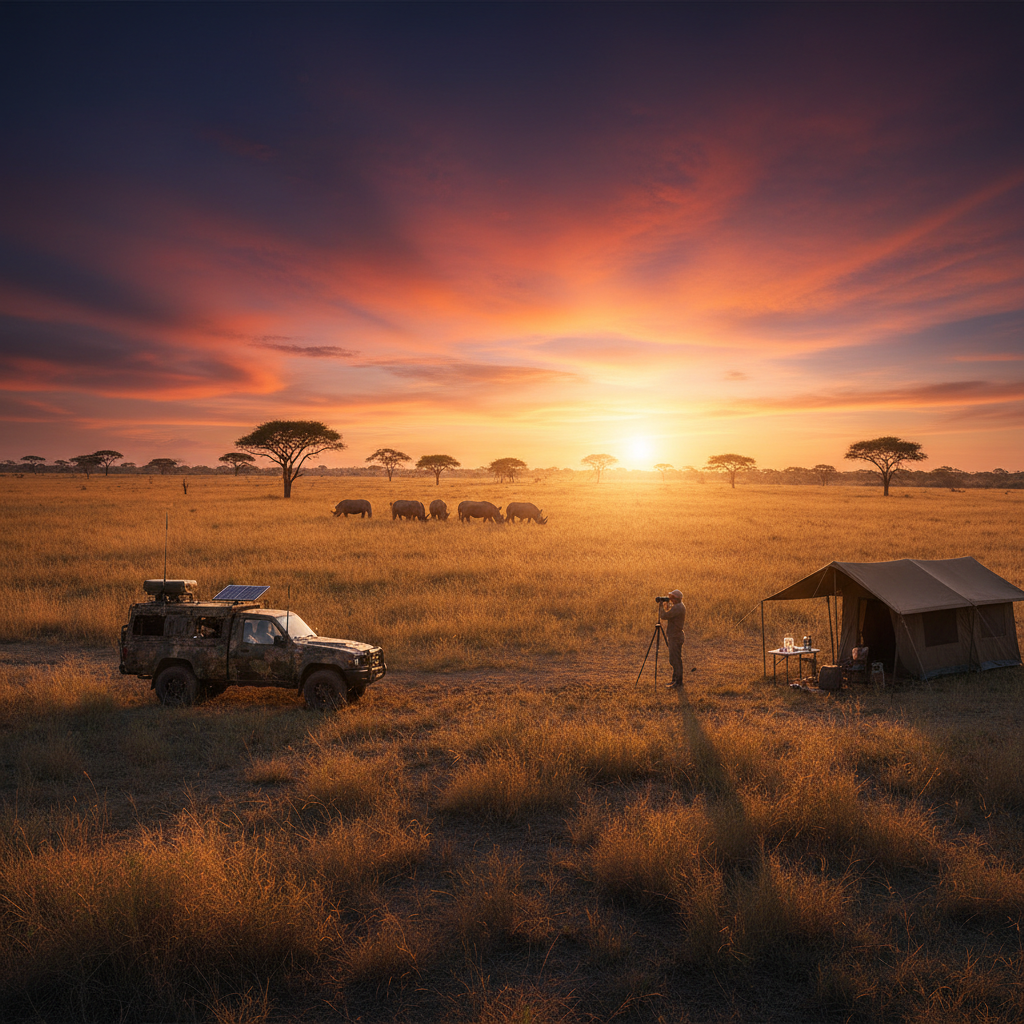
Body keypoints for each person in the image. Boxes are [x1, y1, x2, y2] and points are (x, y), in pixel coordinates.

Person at [658, 589, 686, 687]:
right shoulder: (678, 606)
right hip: (675, 636)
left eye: (672, 598)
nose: (670, 599)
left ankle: (678, 682)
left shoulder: (678, 607)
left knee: (675, 659)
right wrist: (667, 605)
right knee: (673, 659)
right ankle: (675, 680)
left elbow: (664, 616)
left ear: (677, 599)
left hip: (675, 636)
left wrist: (661, 605)